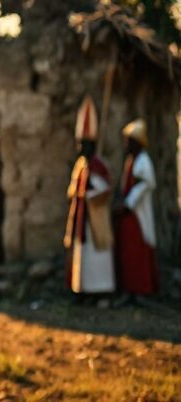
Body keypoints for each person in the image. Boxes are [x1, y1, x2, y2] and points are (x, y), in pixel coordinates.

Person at [64, 96, 116, 297]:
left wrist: (91, 192)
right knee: (83, 255)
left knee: (97, 256)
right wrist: (79, 194)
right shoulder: (81, 167)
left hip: (95, 221)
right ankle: (83, 289)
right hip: (82, 219)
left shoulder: (99, 167)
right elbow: (72, 191)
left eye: (83, 144)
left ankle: (100, 290)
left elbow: (104, 191)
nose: (80, 148)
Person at [114, 118, 160, 295]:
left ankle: (141, 288)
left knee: (138, 250)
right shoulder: (131, 161)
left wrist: (127, 204)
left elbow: (144, 185)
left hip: (137, 214)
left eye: (129, 141)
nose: (126, 144)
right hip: (129, 214)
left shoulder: (143, 162)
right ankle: (129, 288)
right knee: (128, 252)